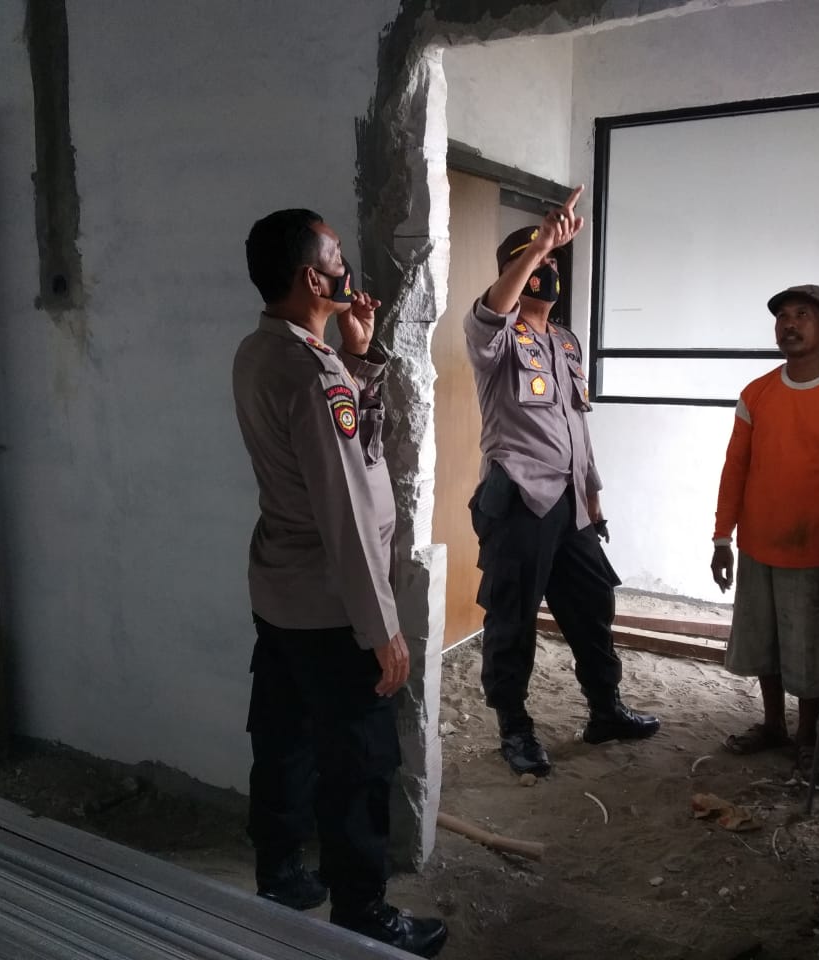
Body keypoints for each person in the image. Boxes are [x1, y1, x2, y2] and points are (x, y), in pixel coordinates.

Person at [233, 208, 446, 957]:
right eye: (336, 260)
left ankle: (281, 873)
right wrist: (381, 629)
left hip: (281, 596)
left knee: (284, 739)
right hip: (331, 606)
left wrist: (356, 357)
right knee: (359, 760)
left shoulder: (264, 351)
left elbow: (333, 447)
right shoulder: (310, 372)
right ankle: (362, 912)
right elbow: (347, 509)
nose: (347, 269)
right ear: (312, 279)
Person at [464, 186, 660, 778]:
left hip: (572, 503)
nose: (549, 268)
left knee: (593, 606)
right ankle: (514, 727)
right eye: (538, 260)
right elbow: (490, 313)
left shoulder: (566, 342)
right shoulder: (495, 339)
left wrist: (594, 496)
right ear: (514, 271)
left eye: (553, 260)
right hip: (520, 502)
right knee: (512, 618)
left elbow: (578, 426)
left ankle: (605, 710)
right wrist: (537, 245)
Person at [709, 284, 819, 790]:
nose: (790, 324)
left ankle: (811, 737)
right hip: (759, 546)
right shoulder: (758, 394)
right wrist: (722, 538)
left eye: (803, 315)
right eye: (783, 317)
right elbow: (735, 469)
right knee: (764, 643)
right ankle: (774, 725)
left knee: (812, 651)